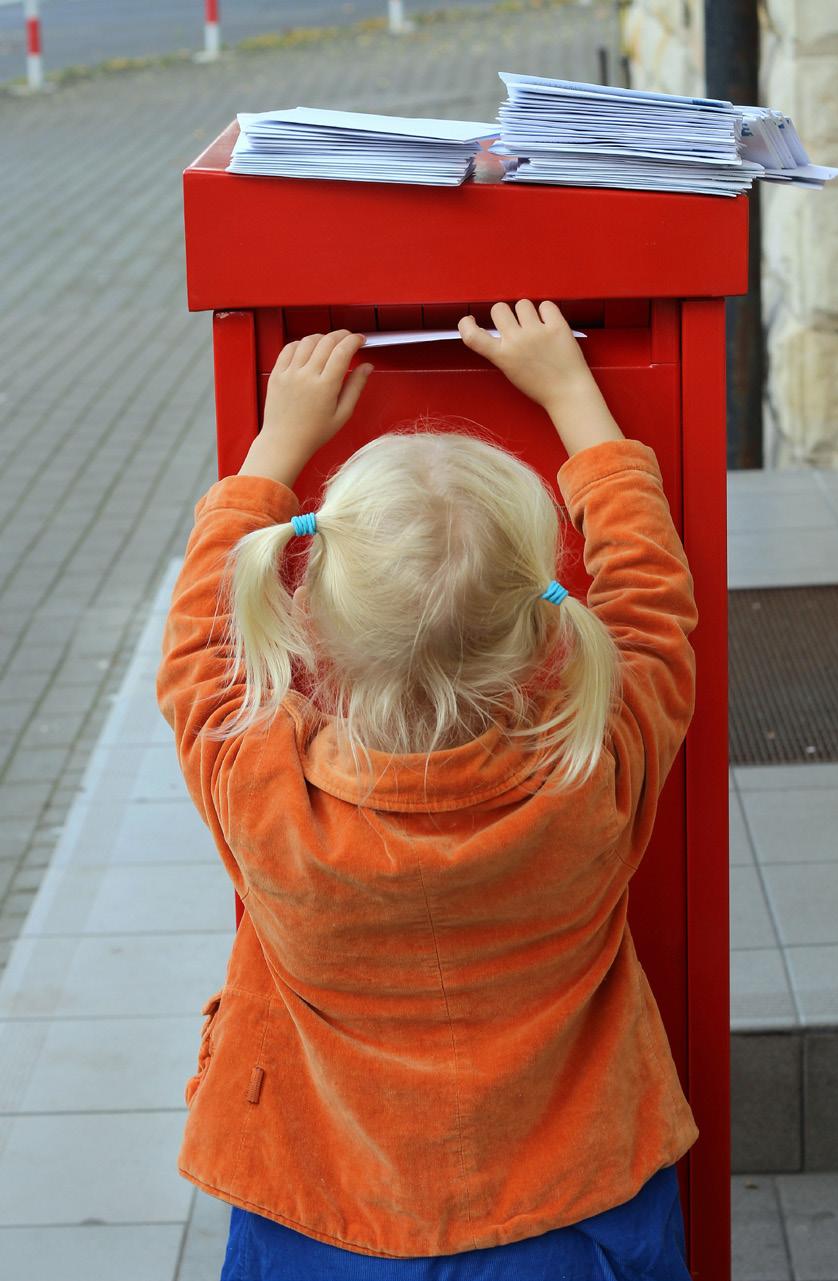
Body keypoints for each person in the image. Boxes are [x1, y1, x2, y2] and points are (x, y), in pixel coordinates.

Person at [155, 300, 700, 1280]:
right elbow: (654, 610)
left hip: (322, 1217)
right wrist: (574, 393)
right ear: (545, 622)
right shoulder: (593, 773)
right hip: (569, 1216)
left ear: (310, 615)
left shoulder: (258, 785)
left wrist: (274, 450)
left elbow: (196, 647)